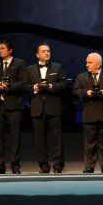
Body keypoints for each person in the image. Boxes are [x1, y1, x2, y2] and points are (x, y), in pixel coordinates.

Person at [73, 53, 103, 173]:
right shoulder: (81, 77)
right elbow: (76, 91)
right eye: (86, 62)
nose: (87, 64)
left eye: (90, 62)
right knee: (89, 143)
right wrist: (86, 93)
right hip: (89, 115)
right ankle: (89, 167)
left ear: (98, 64)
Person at [25, 43, 67, 173]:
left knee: (57, 139)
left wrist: (52, 87)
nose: (46, 53)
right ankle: (43, 166)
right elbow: (24, 85)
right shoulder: (29, 69)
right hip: (37, 107)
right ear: (37, 54)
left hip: (54, 107)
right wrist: (34, 87)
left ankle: (58, 166)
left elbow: (64, 84)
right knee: (40, 139)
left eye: (48, 51)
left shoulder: (58, 67)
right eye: (43, 51)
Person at [0, 40, 27, 174]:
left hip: (14, 104)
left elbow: (23, 83)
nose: (0, 50)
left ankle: (15, 166)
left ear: (10, 50)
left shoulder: (20, 63)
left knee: (15, 137)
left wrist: (9, 87)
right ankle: (0, 166)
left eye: (3, 48)